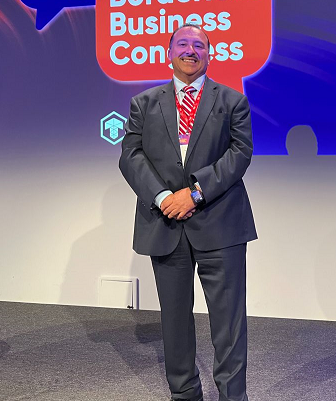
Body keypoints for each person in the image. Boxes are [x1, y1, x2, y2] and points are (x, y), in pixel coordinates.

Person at [119, 24, 257, 401]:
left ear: (209, 55)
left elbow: (240, 153)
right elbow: (130, 156)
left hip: (221, 225)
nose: (191, 50)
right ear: (169, 53)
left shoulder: (232, 101)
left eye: (199, 45)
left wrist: (195, 194)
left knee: (228, 324)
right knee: (175, 321)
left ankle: (233, 396)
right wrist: (164, 196)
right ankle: (185, 394)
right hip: (165, 224)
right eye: (183, 43)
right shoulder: (144, 103)